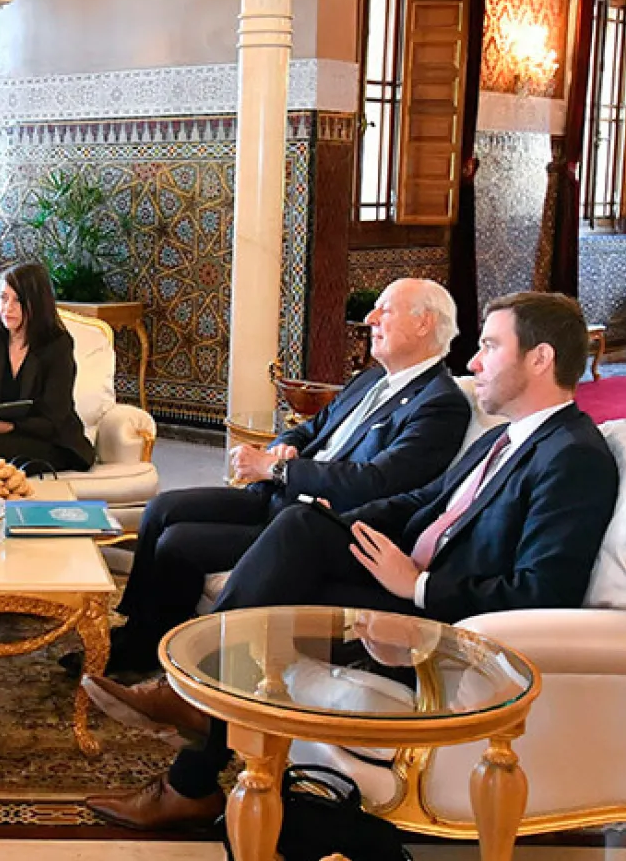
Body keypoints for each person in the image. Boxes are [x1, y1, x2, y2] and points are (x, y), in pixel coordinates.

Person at [82, 292, 619, 831]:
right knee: (299, 530)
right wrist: (341, 524)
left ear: (541, 358)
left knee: (283, 559)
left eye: (490, 346)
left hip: (442, 620)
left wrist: (419, 587)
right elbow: (421, 502)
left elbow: (542, 591)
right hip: (405, 572)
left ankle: (193, 754)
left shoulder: (572, 456)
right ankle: (199, 730)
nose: (474, 362)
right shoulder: (507, 436)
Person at [72, 278, 470, 679]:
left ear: (424, 324)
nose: (370, 319)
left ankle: (167, 659)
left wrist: (277, 468)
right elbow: (311, 429)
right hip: (279, 494)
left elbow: (377, 481)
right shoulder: (370, 380)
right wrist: (282, 448)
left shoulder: (440, 403)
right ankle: (135, 636)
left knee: (178, 543)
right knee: (162, 507)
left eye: (385, 310)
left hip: (317, 519)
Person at [0, 262, 95, 473]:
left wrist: (5, 427)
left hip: (48, 436)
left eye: (18, 300)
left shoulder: (58, 345)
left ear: (37, 303)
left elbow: (54, 417)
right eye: (3, 298)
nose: (7, 308)